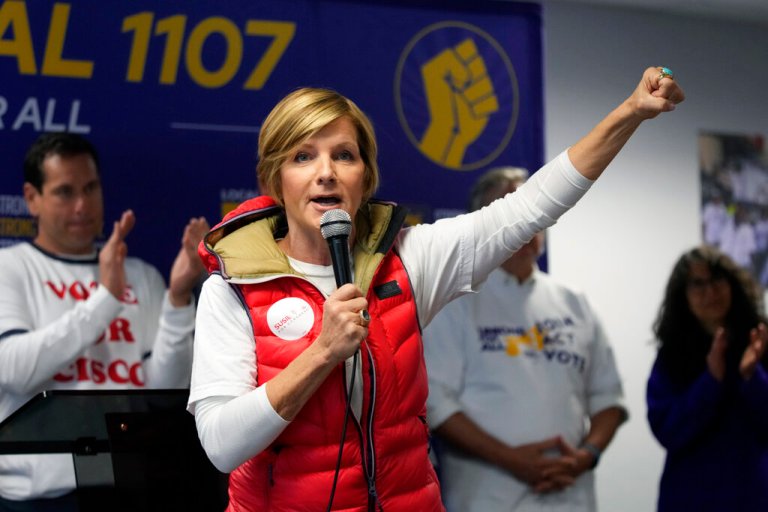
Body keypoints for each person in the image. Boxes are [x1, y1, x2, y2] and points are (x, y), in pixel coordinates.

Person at [188, 66, 684, 511]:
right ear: (275, 178)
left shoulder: (407, 261)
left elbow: (531, 206)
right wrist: (321, 353)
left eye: (344, 155)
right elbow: (222, 446)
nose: (326, 174)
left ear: (366, 177)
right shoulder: (233, 287)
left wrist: (630, 112)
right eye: (303, 156)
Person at [0, 132, 209, 509]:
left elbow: (164, 391)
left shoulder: (141, 275)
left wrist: (178, 298)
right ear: (32, 198)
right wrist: (105, 299)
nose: (82, 205)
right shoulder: (10, 268)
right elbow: (14, 368)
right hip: (38, 497)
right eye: (65, 192)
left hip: (126, 484)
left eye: (91, 188)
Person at [422, 166, 626, 512]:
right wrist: (512, 460)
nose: (527, 226)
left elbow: (608, 400)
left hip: (571, 496)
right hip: (487, 498)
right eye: (512, 213)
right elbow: (437, 405)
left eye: (535, 214)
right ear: (483, 225)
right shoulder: (455, 302)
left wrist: (586, 455)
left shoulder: (573, 301)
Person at [646, 245, 768, 512]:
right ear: (683, 296)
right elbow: (668, 430)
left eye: (717, 281)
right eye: (698, 284)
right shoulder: (672, 356)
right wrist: (711, 380)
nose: (710, 292)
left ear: (732, 284)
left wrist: (752, 376)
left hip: (754, 495)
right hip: (690, 498)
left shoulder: (760, 342)